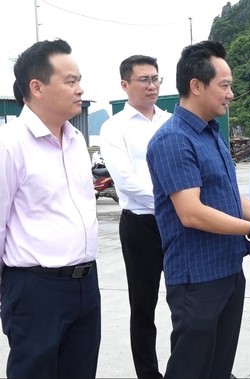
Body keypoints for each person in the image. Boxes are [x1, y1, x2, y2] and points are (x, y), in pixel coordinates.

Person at [146, 40, 250, 379]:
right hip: (197, 277)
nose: (230, 94)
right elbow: (191, 213)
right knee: (190, 368)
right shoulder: (173, 140)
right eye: (224, 85)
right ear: (196, 86)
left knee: (219, 367)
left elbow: (231, 198)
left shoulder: (211, 134)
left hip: (226, 269)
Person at [0, 39, 100, 379]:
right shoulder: (10, 145)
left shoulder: (75, 142)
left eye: (79, 80)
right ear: (37, 87)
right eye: (70, 81)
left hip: (86, 283)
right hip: (35, 289)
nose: (80, 89)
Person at [99, 55, 171, 379]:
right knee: (143, 308)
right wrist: (176, 200)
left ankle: (194, 366)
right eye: (144, 79)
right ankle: (149, 374)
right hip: (141, 225)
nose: (152, 85)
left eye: (156, 78)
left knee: (190, 300)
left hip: (180, 223)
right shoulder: (114, 128)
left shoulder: (172, 121)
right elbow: (127, 181)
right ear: (125, 85)